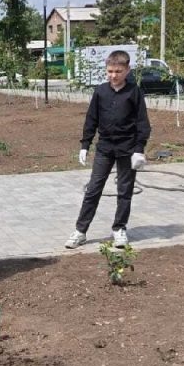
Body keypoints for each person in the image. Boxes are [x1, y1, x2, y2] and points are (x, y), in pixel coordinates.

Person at [65, 50, 151, 250]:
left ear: (127, 70)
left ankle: (119, 229)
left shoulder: (134, 92)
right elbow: (91, 119)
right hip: (105, 148)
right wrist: (85, 144)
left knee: (124, 191)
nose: (114, 75)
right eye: (110, 71)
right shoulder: (100, 91)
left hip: (128, 149)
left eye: (118, 71)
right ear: (106, 70)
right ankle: (80, 231)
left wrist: (139, 149)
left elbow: (142, 123)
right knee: (93, 189)